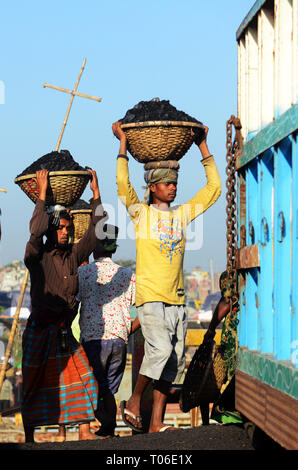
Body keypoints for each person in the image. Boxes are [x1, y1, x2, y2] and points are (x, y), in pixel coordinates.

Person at [112, 120, 221, 433]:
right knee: (158, 351)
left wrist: (202, 146)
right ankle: (133, 401)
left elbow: (213, 189)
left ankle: (156, 422)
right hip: (150, 297)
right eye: (166, 183)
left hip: (176, 299)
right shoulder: (141, 214)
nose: (173, 187)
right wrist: (122, 144)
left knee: (171, 365)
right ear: (153, 187)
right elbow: (123, 185)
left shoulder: (181, 214)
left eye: (174, 183)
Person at [22, 168, 106, 443]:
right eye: (60, 228)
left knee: (84, 378)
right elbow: (35, 233)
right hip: (40, 329)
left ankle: (83, 429)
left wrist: (96, 195)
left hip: (62, 332)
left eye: (68, 228)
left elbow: (97, 233)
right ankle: (30, 437)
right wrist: (42, 195)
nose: (65, 232)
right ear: (51, 228)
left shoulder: (73, 255)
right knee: (34, 384)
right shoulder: (37, 256)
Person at [77, 223, 140, 438]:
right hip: (119, 340)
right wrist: (126, 330)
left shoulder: (83, 273)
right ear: (114, 248)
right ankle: (108, 429)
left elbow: (72, 303)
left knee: (96, 386)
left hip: (93, 339)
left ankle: (106, 425)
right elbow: (143, 309)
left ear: (94, 247)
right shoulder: (128, 274)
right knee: (109, 389)